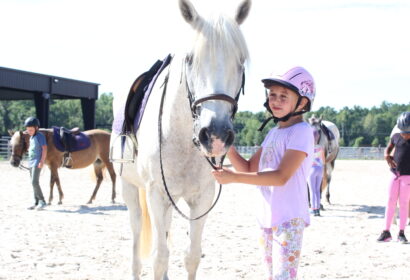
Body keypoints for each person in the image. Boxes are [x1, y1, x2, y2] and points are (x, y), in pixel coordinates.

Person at [212, 66, 315, 280]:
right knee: (270, 276)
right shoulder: (273, 133)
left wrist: (233, 178)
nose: (275, 101)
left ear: (302, 102)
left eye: (283, 96)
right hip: (266, 218)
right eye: (272, 95)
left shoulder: (302, 132)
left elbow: (280, 177)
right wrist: (228, 147)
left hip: (289, 219)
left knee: (282, 277)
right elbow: (249, 168)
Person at [377, 112, 410, 244]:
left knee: (403, 204)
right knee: (390, 201)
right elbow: (389, 148)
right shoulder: (396, 136)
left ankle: (401, 232)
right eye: (403, 132)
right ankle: (386, 232)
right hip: (394, 174)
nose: (405, 135)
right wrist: (386, 155)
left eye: (407, 132)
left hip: (407, 177)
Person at [24, 117, 48, 210]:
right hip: (31, 162)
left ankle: (42, 201)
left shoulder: (40, 136)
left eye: (31, 130)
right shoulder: (32, 137)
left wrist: (42, 161)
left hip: (37, 162)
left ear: (36, 128)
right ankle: (36, 202)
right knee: (32, 182)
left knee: (35, 182)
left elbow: (44, 148)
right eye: (28, 130)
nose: (29, 131)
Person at [308, 129, 325, 217]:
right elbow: (323, 160)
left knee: (312, 191)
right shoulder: (320, 147)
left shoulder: (308, 147)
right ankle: (318, 209)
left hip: (311, 169)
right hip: (320, 169)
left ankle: (313, 209)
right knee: (317, 190)